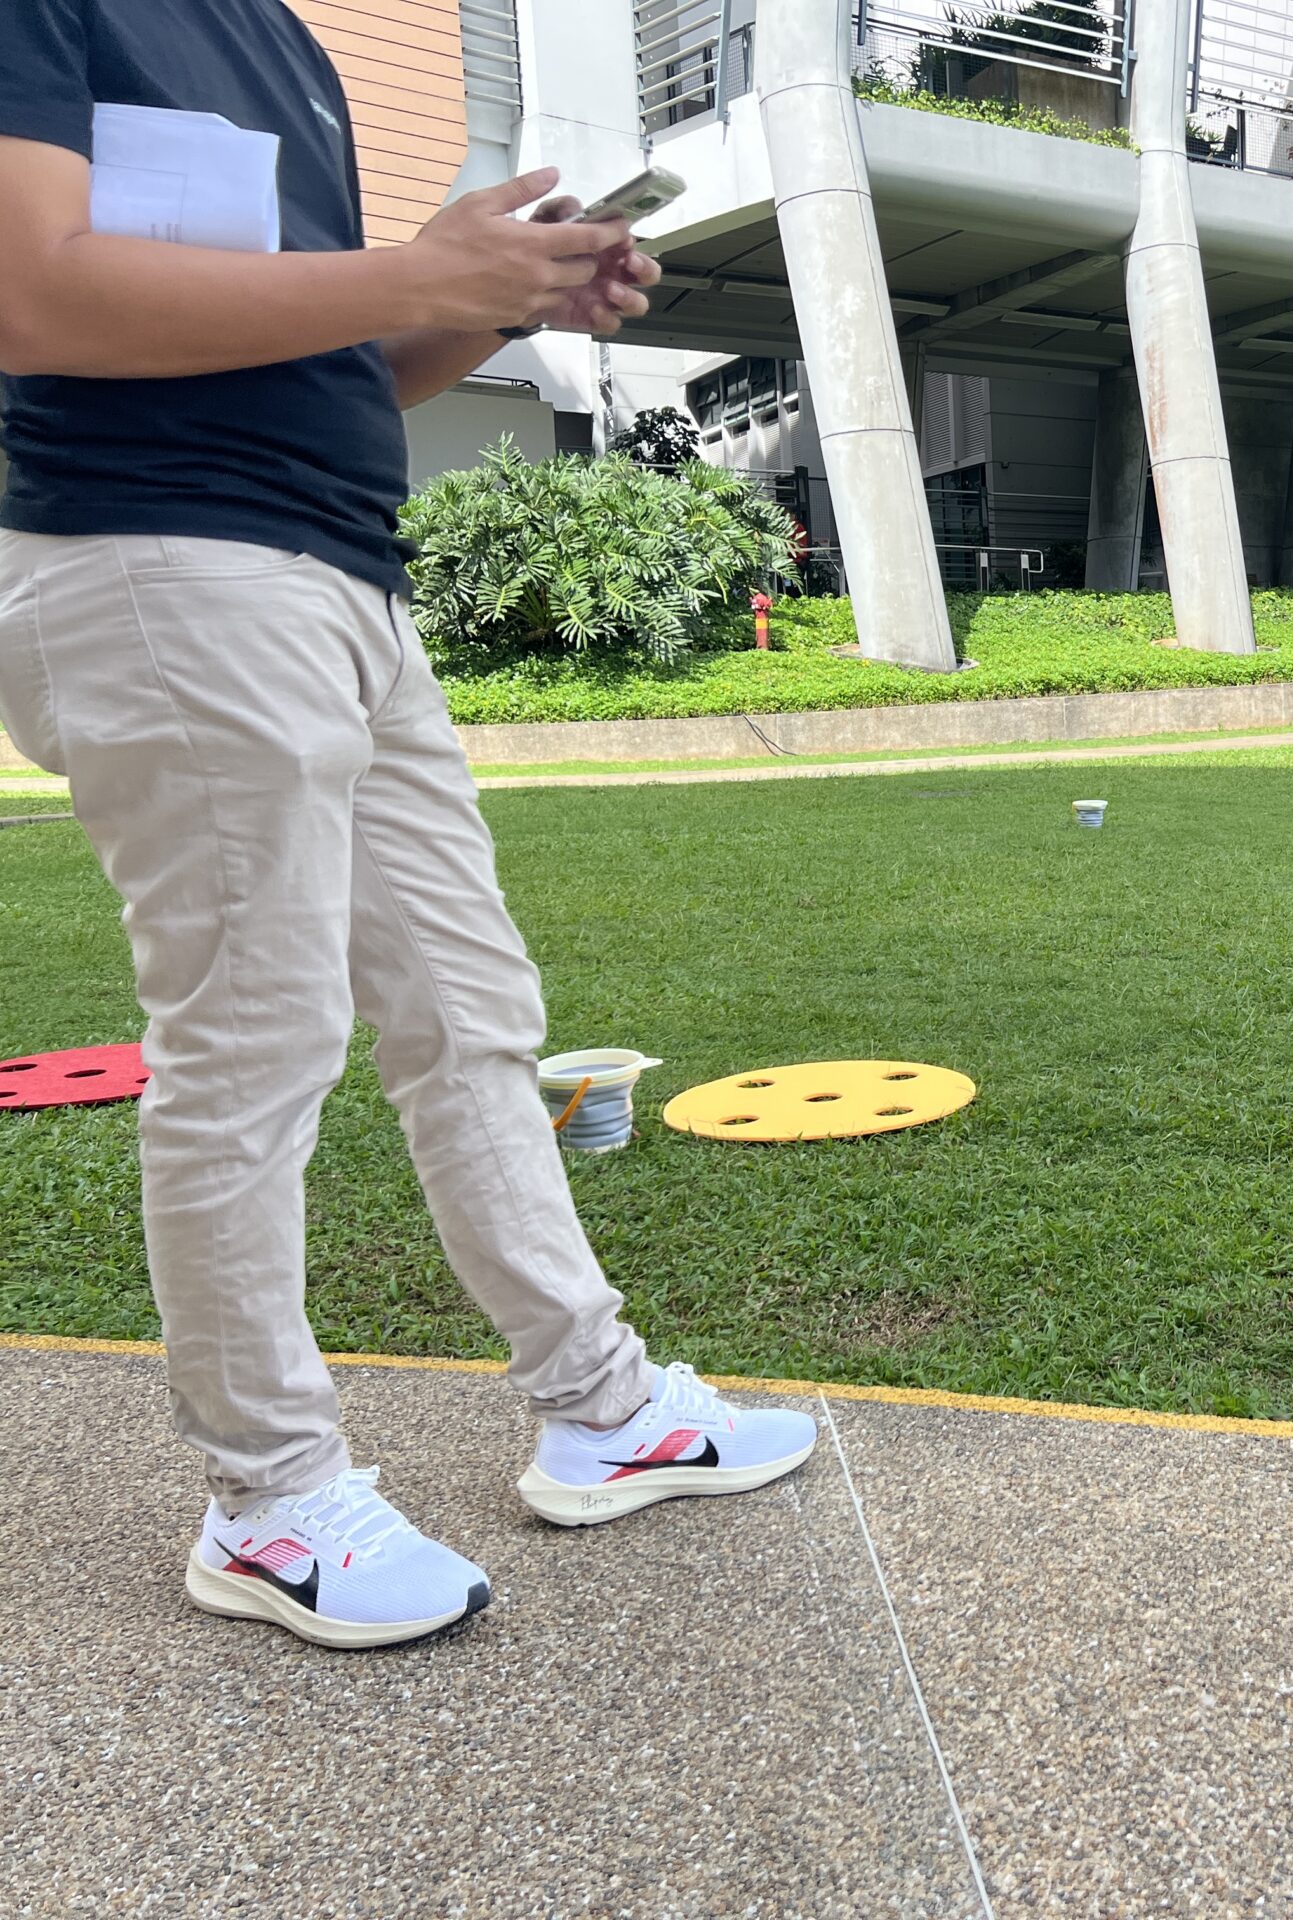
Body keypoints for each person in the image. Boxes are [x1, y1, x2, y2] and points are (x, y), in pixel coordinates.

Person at [0, 0, 815, 1651]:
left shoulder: (285, 44)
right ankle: (270, 1501)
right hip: (161, 560)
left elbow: (346, 357)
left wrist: (490, 296)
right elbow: (36, 285)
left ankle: (603, 1407)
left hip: (342, 576)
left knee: (470, 1007)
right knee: (251, 1037)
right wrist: (418, 270)